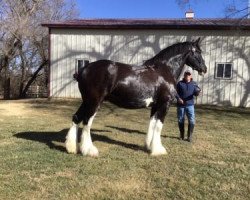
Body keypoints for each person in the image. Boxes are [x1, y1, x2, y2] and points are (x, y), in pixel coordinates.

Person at [176, 70, 201, 142]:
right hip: (181, 105)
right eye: (186, 75)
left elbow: (196, 92)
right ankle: (182, 135)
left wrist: (198, 93)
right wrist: (178, 98)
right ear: (184, 76)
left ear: (191, 76)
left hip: (190, 105)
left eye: (188, 75)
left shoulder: (194, 84)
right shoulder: (180, 83)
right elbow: (175, 92)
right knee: (180, 119)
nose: (187, 76)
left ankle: (189, 136)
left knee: (192, 120)